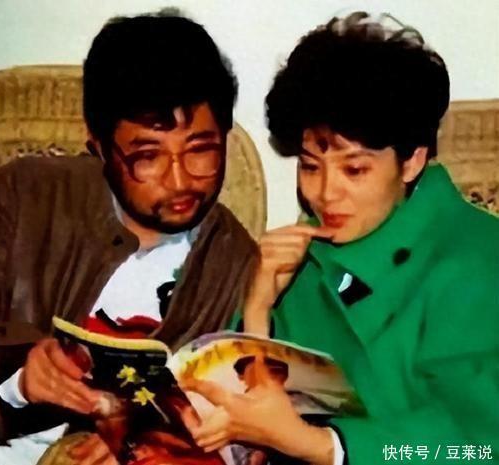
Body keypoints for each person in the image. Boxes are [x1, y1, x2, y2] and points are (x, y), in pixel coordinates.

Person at [182, 11, 499, 465]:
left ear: (411, 161)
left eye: (355, 169)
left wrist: (323, 445)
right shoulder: (304, 255)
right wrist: (257, 308)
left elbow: (479, 442)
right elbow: (254, 407)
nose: (326, 193)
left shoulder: (477, 259)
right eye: (310, 166)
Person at [0, 11, 257, 465]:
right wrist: (18, 374)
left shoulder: (236, 265)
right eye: (148, 157)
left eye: (201, 151)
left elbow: (232, 418)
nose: (180, 181)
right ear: (97, 145)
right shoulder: (20, 198)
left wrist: (154, 439)